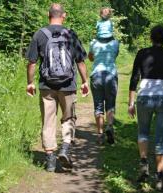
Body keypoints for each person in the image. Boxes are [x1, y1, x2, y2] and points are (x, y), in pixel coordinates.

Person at [25, 3, 89, 172]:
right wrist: (84, 81)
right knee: (68, 118)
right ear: (64, 15)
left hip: (46, 85)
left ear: (48, 15)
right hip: (68, 85)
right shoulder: (71, 34)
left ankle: (50, 160)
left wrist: (30, 82)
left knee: (48, 120)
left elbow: (31, 62)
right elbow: (80, 61)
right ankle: (65, 149)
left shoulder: (40, 34)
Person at [128, 25, 163, 190]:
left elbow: (134, 78)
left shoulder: (142, 53)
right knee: (161, 137)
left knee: (143, 132)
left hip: (144, 96)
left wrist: (131, 102)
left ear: (151, 38)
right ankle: (159, 176)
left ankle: (144, 164)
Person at [88, 7, 119, 145]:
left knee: (98, 106)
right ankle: (110, 127)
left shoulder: (93, 43)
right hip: (111, 75)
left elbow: (90, 58)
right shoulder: (115, 43)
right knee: (110, 105)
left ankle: (100, 135)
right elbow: (115, 56)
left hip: (96, 75)